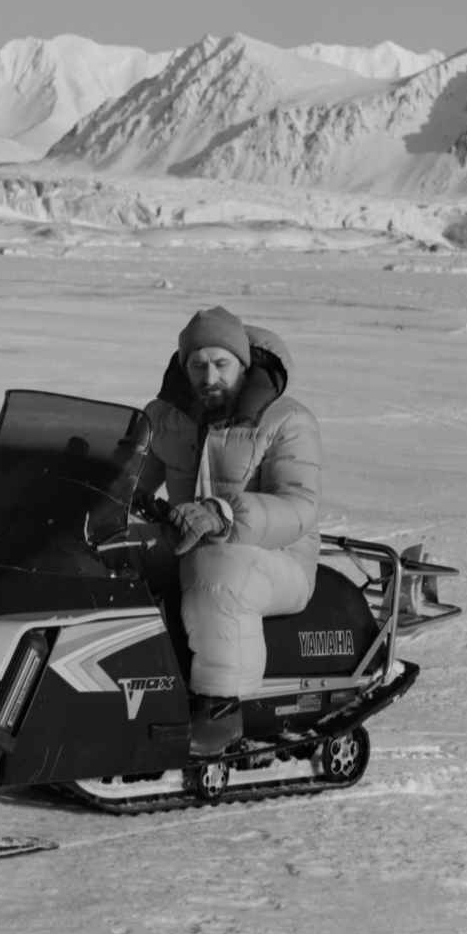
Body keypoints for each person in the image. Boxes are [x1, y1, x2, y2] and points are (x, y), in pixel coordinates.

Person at [137, 307, 322, 756]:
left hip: (278, 560)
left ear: (243, 364)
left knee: (216, 567)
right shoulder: (166, 417)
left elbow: (299, 507)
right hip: (189, 547)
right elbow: (131, 480)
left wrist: (223, 514)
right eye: (197, 365)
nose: (209, 376)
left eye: (221, 364)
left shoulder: (286, 420)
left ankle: (221, 712)